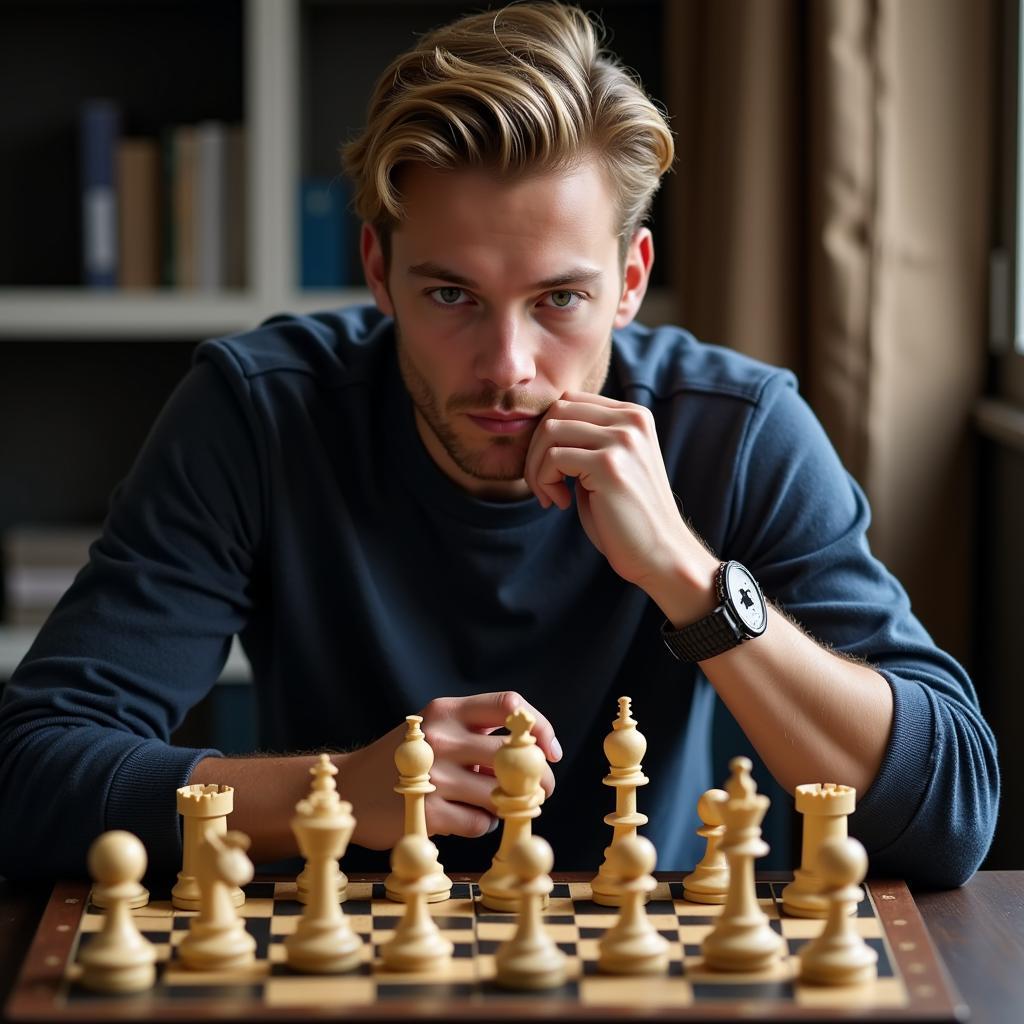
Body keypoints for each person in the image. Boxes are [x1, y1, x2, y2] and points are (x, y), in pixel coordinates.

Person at [0, 2, 997, 887]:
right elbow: (27, 774)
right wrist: (340, 790)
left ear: (631, 279)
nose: (508, 366)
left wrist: (692, 582)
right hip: (343, 959)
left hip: (661, 967)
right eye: (451, 296)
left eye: (560, 299)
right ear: (378, 271)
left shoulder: (736, 429)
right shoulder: (259, 414)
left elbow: (949, 815)